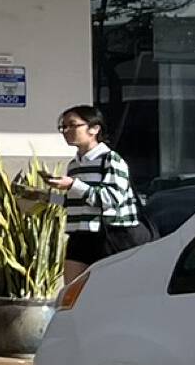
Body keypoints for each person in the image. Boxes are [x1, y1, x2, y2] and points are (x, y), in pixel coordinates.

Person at [46, 104, 139, 271]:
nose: (66, 131)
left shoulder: (110, 159)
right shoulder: (74, 165)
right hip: (79, 233)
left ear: (94, 129)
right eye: (63, 127)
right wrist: (46, 198)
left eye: (72, 125)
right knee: (73, 285)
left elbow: (111, 200)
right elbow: (78, 201)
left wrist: (73, 184)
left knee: (109, 284)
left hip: (109, 234)